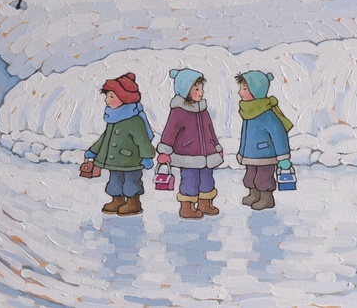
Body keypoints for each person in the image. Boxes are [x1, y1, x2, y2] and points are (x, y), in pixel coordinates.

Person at [156, 68, 224, 219]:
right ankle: (187, 207)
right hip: (187, 155)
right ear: (185, 90)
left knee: (207, 179)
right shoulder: (178, 111)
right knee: (190, 180)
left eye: (201, 89)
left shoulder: (203, 110)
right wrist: (164, 151)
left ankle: (205, 203)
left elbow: (210, 130)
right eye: (197, 89)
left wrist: (216, 146)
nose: (201, 92)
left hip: (207, 154)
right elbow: (170, 131)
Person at [84, 73, 155, 216]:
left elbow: (142, 140)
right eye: (107, 96)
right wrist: (94, 150)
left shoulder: (134, 120)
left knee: (131, 181)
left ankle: (133, 202)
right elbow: (106, 138)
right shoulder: (113, 117)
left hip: (130, 160)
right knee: (115, 180)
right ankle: (117, 200)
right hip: (115, 160)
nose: (107, 100)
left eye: (111, 96)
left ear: (124, 98)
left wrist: (147, 156)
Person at [235, 71, 293, 211]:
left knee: (263, 178)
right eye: (241, 88)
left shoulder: (267, 114)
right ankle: (254, 195)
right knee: (250, 176)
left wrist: (283, 156)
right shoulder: (248, 111)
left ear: (256, 91)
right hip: (250, 154)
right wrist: (242, 152)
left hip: (265, 154)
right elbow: (246, 136)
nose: (240, 92)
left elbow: (278, 134)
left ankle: (267, 198)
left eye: (244, 89)